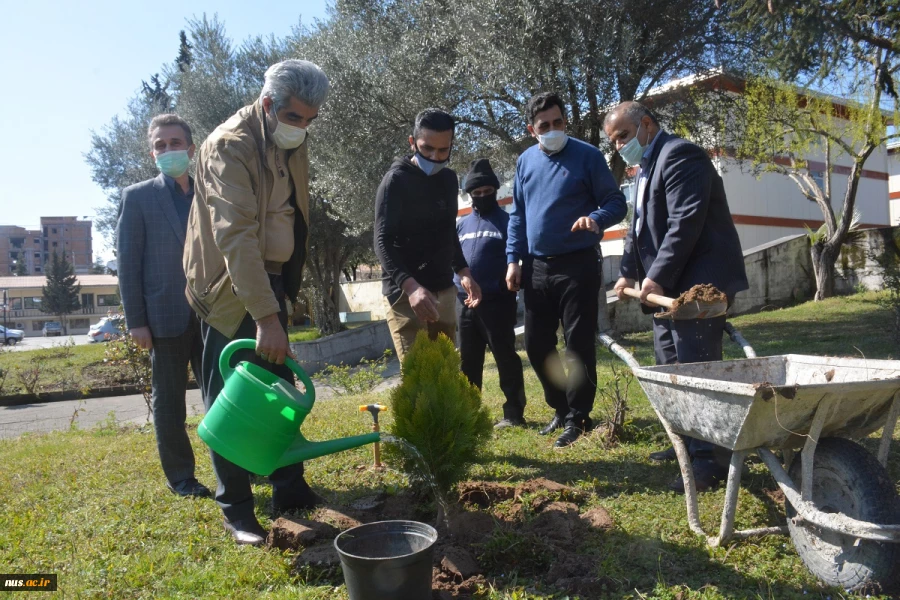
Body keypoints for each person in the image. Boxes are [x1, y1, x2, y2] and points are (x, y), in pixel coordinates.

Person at [183, 59, 329, 545]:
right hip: (229, 288)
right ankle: (237, 510)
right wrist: (266, 316)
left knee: (280, 388)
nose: (303, 129)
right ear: (268, 105)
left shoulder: (294, 139)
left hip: (269, 284)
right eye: (295, 118)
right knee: (231, 397)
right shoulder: (230, 145)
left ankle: (290, 490)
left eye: (311, 120)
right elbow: (236, 238)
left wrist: (280, 297)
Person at [603, 101, 749, 492]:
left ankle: (712, 460)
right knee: (671, 368)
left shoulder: (681, 154)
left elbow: (686, 221)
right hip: (669, 289)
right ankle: (685, 442)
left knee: (698, 371)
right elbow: (636, 230)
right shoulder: (644, 168)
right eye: (613, 141)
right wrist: (628, 273)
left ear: (646, 124)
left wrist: (656, 276)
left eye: (623, 136)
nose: (619, 146)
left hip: (701, 283)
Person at [506, 92, 627, 448]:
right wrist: (513, 260)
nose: (553, 129)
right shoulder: (525, 162)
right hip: (537, 267)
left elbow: (616, 201)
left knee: (577, 343)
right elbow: (518, 216)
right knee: (536, 343)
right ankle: (559, 408)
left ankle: (579, 417)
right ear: (532, 130)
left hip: (579, 264)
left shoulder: (587, 156)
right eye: (545, 125)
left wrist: (597, 218)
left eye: (558, 122)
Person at [117, 114, 211, 500]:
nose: (168, 150)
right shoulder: (137, 197)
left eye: (175, 143)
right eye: (160, 145)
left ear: (191, 148)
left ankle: (237, 467)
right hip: (163, 318)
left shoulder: (211, 191)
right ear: (152, 152)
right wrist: (136, 321)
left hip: (213, 315)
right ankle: (182, 478)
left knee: (221, 397)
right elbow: (128, 263)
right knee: (169, 404)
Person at [374, 108, 482, 363]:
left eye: (443, 150)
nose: (434, 157)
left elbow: (448, 232)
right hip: (406, 293)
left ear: (451, 145)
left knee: (446, 369)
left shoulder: (448, 179)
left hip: (443, 288)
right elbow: (382, 241)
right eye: (427, 148)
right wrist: (411, 287)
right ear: (413, 143)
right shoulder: (395, 181)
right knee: (418, 374)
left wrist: (464, 272)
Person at [455, 159, 527, 429]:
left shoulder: (508, 222)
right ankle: (468, 413)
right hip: (465, 305)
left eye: (488, 191)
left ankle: (513, 413)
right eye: (477, 193)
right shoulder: (461, 225)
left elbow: (518, 258)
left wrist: (498, 287)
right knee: (468, 362)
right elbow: (454, 260)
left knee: (505, 357)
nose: (483, 196)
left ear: (495, 191)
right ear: (470, 194)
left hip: (497, 303)